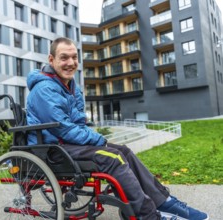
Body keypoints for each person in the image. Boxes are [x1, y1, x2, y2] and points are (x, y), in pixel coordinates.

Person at [26, 37, 209, 220]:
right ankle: (148, 215)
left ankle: (164, 201)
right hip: (53, 149)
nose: (71, 63)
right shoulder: (44, 89)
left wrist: (95, 139)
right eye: (64, 57)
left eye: (74, 57)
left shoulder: (70, 86)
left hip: (68, 144)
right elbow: (64, 129)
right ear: (51, 60)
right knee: (113, 158)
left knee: (124, 151)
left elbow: (78, 123)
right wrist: (99, 140)